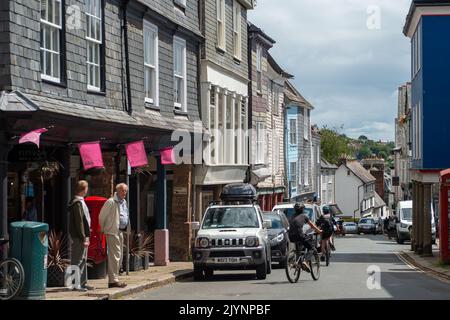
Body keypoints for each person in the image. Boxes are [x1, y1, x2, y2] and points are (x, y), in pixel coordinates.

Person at [99, 183, 130, 288]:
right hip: (112, 231)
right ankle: (113, 280)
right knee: (115, 256)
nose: (124, 192)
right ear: (117, 191)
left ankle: (115, 278)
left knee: (119, 256)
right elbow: (102, 216)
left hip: (121, 231)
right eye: (122, 190)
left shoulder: (124, 202)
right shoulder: (111, 202)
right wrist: (103, 229)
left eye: (126, 190)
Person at [68, 180, 93, 291]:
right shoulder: (77, 203)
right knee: (77, 260)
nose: (87, 190)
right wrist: (83, 237)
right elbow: (79, 222)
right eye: (86, 188)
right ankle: (75, 284)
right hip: (79, 237)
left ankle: (83, 282)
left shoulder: (80, 201)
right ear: (84, 189)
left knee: (83, 259)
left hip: (84, 235)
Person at [288, 202, 322, 273]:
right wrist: (318, 231)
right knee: (311, 247)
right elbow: (312, 225)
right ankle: (305, 262)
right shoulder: (304, 216)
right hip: (299, 235)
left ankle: (296, 261)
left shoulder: (291, 216)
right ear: (302, 209)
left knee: (298, 249)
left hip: (290, 236)